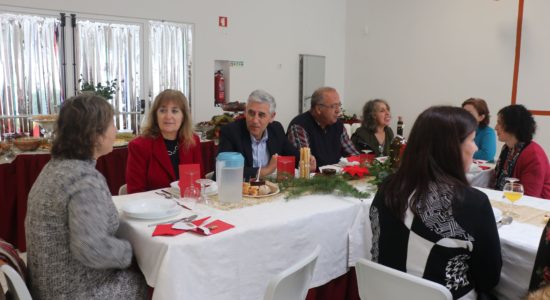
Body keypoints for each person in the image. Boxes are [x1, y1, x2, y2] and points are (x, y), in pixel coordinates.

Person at [370, 106, 502, 300]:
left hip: (384, 294)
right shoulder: (472, 202)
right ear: (450, 147)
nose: (475, 148)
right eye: (472, 140)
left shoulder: (388, 187)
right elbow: (489, 278)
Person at [25, 94, 147, 299]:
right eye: (112, 124)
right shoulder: (84, 180)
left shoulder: (53, 168)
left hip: (49, 286)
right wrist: (132, 253)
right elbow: (91, 248)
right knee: (154, 279)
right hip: (75, 292)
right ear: (95, 135)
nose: (115, 130)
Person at [218, 89, 315, 180]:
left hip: (272, 190)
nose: (255, 120)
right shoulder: (231, 132)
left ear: (272, 117)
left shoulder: (276, 129)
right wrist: (266, 171)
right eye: (251, 113)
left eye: (261, 115)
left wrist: (307, 162)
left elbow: (294, 156)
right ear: (245, 113)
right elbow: (224, 171)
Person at [126, 89, 203, 193]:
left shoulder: (192, 141)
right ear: (155, 115)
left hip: (187, 205)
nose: (168, 116)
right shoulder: (140, 146)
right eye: (162, 110)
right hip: (152, 207)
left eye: (175, 111)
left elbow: (196, 185)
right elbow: (135, 192)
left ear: (183, 116)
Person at [287, 87, 359, 168]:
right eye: (333, 106)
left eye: (339, 105)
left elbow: (353, 154)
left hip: (336, 175)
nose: (338, 110)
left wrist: (355, 162)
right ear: (318, 109)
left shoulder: (337, 124)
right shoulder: (300, 125)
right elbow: (306, 162)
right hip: (314, 178)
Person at [494, 104, 550, 199]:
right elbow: (497, 182)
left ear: (512, 126)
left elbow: (530, 197)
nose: (495, 127)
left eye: (499, 123)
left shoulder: (533, 155)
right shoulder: (507, 148)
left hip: (537, 209)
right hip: (506, 201)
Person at [462, 98, 497, 162]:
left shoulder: (488, 132)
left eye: (469, 113)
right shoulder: (459, 130)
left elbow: (487, 155)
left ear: (481, 117)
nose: (464, 116)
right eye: (463, 112)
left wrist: (461, 152)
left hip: (482, 170)